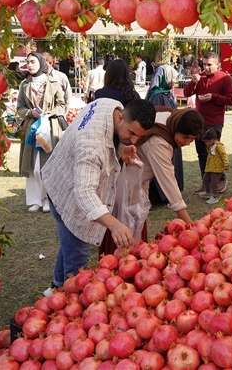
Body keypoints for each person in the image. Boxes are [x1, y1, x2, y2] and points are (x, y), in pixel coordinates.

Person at [42, 98, 156, 295]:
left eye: (139, 137)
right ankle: (71, 301)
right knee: (78, 255)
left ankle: (57, 286)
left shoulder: (110, 104)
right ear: (120, 117)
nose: (134, 140)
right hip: (66, 192)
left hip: (62, 176)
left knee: (69, 243)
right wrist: (115, 224)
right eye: (131, 133)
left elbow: (111, 140)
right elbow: (84, 194)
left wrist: (122, 148)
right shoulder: (91, 146)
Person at [99, 108, 204, 256]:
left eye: (192, 140)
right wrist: (191, 225)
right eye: (185, 137)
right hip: (124, 189)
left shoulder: (169, 116)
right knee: (123, 242)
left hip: (135, 185)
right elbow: (169, 184)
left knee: (132, 236)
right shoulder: (159, 143)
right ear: (177, 129)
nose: (187, 143)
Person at [17, 52, 67, 213]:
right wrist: (32, 113)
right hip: (32, 128)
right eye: (27, 62)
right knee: (32, 165)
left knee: (47, 164)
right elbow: (20, 108)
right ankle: (35, 200)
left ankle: (48, 199)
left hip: (50, 128)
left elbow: (62, 104)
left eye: (32, 62)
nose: (29, 65)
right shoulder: (24, 85)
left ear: (40, 62)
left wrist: (52, 112)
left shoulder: (53, 82)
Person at [184, 51, 232, 194]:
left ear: (217, 64)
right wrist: (193, 82)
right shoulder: (199, 77)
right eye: (204, 64)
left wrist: (213, 97)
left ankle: (220, 180)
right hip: (200, 122)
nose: (206, 68)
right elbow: (186, 93)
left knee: (214, 153)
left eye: (209, 65)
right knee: (202, 153)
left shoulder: (225, 78)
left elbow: (230, 100)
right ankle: (205, 182)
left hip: (215, 122)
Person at [200, 128, 229, 204]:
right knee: (205, 179)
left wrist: (226, 164)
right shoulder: (211, 146)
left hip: (217, 170)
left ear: (212, 139)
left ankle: (215, 197)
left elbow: (224, 155)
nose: (205, 143)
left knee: (214, 183)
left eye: (206, 142)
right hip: (210, 168)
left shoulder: (219, 146)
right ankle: (208, 192)